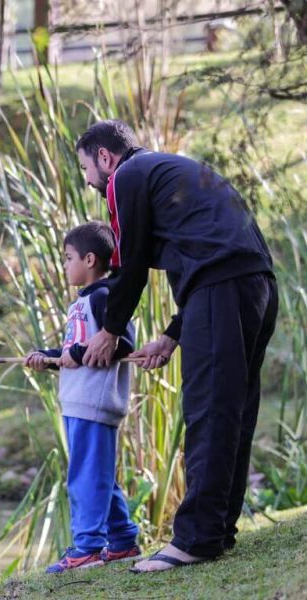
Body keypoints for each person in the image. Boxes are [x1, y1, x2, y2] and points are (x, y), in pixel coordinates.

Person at [74, 120, 278, 572]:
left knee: (207, 408)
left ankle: (194, 540)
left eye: (87, 167)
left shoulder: (126, 176)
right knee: (233, 407)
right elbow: (208, 257)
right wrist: (171, 335)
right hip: (255, 285)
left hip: (223, 287)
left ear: (105, 158)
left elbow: (129, 265)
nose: (88, 179)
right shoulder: (168, 170)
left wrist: (109, 330)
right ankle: (217, 529)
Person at [25, 221, 140, 573]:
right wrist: (47, 356)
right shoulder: (82, 302)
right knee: (98, 474)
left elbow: (122, 343)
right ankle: (122, 541)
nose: (64, 265)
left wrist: (74, 352)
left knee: (86, 476)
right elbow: (74, 350)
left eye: (68, 258)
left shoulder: (107, 296)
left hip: (95, 402)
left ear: (89, 260)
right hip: (77, 399)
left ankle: (88, 548)